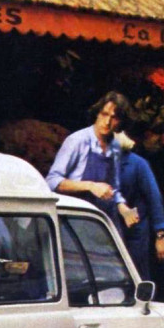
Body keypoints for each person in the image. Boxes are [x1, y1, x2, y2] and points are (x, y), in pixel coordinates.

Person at [46, 92, 140, 231]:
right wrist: (90, 186)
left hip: (101, 221)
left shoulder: (115, 146)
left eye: (114, 118)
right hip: (75, 221)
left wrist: (123, 208)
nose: (107, 122)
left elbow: (113, 187)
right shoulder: (77, 141)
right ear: (97, 113)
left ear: (121, 122)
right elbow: (52, 181)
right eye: (104, 114)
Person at [115, 132, 164, 280]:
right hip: (110, 226)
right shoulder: (100, 162)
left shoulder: (138, 164)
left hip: (135, 231)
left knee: (137, 274)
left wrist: (160, 235)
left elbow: (154, 197)